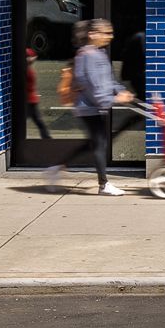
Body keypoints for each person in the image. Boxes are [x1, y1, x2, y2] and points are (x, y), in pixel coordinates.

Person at [46, 17, 142, 195]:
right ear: (92, 34)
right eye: (106, 33)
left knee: (95, 143)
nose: (110, 36)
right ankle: (103, 185)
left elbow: (109, 80)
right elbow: (91, 86)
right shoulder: (87, 56)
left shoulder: (100, 53)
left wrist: (121, 91)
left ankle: (57, 167)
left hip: (96, 106)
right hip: (87, 107)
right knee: (99, 144)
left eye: (110, 33)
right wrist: (112, 100)